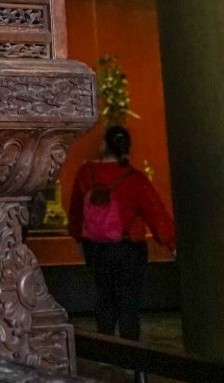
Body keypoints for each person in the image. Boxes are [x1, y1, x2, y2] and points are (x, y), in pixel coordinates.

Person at [68, 123, 175, 340]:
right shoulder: (134, 179)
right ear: (127, 148)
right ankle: (130, 352)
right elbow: (156, 213)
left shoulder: (86, 174)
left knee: (104, 298)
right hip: (129, 248)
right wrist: (172, 244)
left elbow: (76, 211)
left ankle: (106, 346)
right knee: (129, 303)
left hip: (95, 248)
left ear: (104, 145)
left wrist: (78, 238)